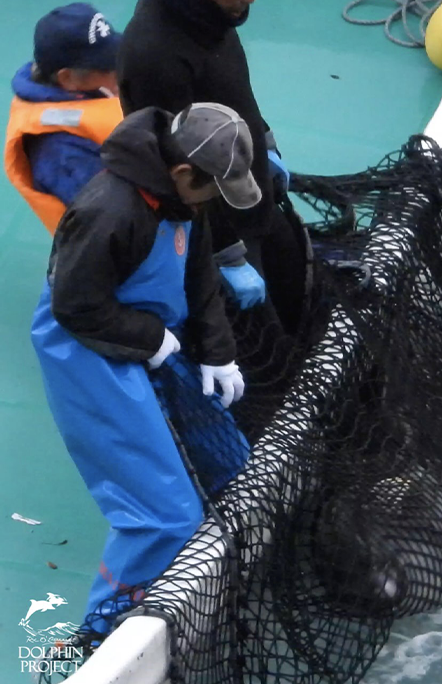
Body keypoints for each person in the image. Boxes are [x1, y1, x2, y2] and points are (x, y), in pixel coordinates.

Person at [31, 102, 257, 630]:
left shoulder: (181, 195)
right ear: (182, 173)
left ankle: (205, 584)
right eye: (210, 190)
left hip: (149, 336)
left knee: (232, 468)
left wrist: (219, 351)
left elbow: (197, 270)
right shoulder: (109, 211)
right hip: (87, 349)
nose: (211, 204)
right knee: (165, 516)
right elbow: (74, 306)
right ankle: (103, 634)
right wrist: (148, 338)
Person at [117, 0, 310, 330]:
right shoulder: (154, 56)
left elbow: (231, 91)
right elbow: (179, 169)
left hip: (251, 192)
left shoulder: (216, 17)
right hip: (215, 225)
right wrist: (228, 255)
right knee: (260, 331)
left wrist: (265, 143)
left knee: (293, 276)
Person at [4, 3, 124, 234]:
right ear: (67, 78)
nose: (118, 73)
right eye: (107, 68)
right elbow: (111, 223)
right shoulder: (60, 152)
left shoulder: (87, 93)